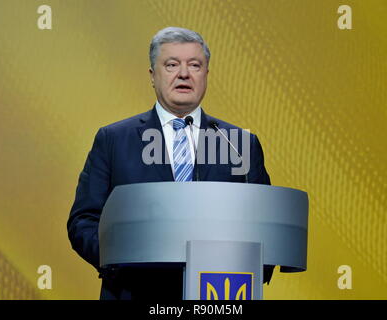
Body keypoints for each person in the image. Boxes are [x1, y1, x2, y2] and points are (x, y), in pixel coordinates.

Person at [67, 27, 273, 300]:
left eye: (195, 65)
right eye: (172, 64)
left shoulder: (239, 143)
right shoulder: (113, 140)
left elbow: (267, 224)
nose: (184, 74)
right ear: (153, 75)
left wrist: (252, 266)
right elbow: (84, 220)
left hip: (218, 294)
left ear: (206, 75)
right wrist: (120, 259)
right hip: (134, 290)